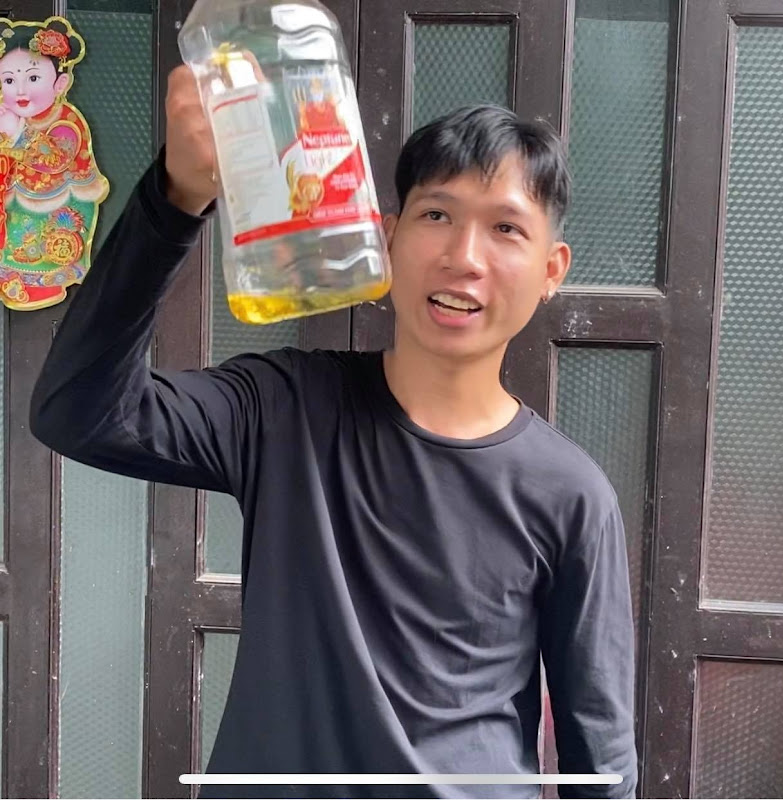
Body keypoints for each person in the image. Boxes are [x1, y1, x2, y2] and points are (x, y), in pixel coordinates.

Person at [30, 65, 637, 799]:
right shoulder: (283, 408)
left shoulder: (572, 495)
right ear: (388, 237)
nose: (464, 257)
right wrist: (177, 198)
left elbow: (600, 758)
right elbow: (78, 409)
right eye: (437, 215)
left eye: (506, 228)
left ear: (550, 270)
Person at [0, 17, 108, 310]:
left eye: (33, 78)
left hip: (56, 205)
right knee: (14, 251)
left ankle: (40, 286)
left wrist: (17, 134)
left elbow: (55, 159)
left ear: (60, 83)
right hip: (17, 204)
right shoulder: (9, 118)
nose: (20, 90)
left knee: (41, 255)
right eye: (9, 80)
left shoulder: (66, 121)